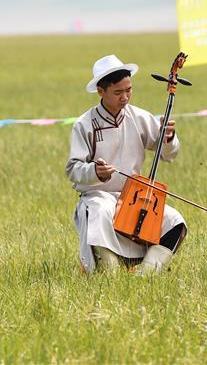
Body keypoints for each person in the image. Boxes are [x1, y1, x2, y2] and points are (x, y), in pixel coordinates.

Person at [66, 55, 185, 275]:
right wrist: (95, 172)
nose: (125, 97)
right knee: (100, 211)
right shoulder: (84, 124)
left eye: (129, 90)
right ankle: (107, 276)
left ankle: (145, 277)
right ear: (101, 91)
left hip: (134, 198)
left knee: (175, 222)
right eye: (118, 92)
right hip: (97, 196)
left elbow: (168, 155)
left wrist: (169, 138)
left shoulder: (139, 117)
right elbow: (73, 170)